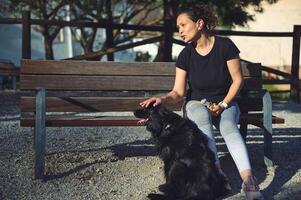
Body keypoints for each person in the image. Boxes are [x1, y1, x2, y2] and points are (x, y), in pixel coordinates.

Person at [139, 4, 264, 200]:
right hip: (197, 103)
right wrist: (162, 99)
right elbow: (178, 92)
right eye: (177, 26)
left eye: (183, 25)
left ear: (199, 24)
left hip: (225, 102)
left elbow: (238, 80)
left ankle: (249, 181)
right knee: (201, 116)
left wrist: (223, 104)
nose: (179, 30)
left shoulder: (225, 46)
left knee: (229, 127)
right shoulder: (185, 55)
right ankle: (216, 175)